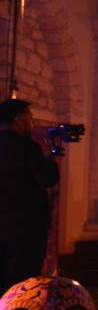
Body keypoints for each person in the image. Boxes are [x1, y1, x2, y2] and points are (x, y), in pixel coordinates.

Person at [0, 99, 60, 292]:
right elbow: (47, 178)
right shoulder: (26, 146)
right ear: (19, 120)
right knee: (22, 281)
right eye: (30, 117)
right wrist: (52, 160)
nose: (32, 122)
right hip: (26, 226)